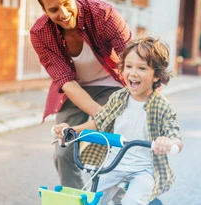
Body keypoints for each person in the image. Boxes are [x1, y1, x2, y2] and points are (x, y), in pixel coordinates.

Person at [53, 34, 184, 205]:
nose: (133, 73)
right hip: (113, 163)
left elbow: (176, 137)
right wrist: (71, 131)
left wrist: (168, 142)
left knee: (133, 201)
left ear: (157, 75)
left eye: (142, 68)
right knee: (93, 200)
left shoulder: (162, 106)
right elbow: (99, 122)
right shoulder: (119, 98)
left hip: (143, 169)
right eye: (128, 66)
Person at [30, 0, 132, 189]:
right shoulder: (40, 32)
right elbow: (66, 81)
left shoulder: (104, 15)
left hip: (112, 87)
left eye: (66, 3)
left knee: (111, 145)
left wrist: (147, 100)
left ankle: (119, 196)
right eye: (53, 9)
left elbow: (133, 60)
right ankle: (75, 198)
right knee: (63, 152)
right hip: (73, 91)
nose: (63, 13)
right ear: (44, 10)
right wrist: (102, 115)